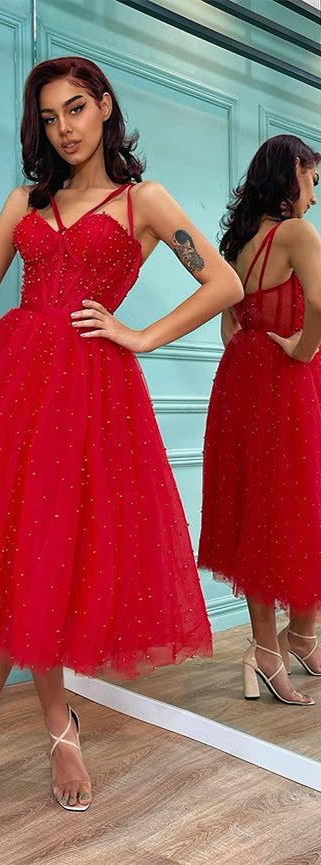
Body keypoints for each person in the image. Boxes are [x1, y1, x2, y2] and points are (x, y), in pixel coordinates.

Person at [0, 56, 242, 848]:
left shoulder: (144, 201)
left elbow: (225, 285)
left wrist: (138, 334)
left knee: (38, 562)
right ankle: (55, 726)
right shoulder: (25, 202)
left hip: (88, 407)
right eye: (49, 116)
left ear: (105, 106)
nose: (64, 127)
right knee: (11, 566)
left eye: (76, 108)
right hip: (7, 395)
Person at [198, 135, 321, 706]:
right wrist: (302, 349)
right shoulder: (295, 233)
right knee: (298, 505)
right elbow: (320, 304)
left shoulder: (239, 244)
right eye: (312, 181)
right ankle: (288, 644)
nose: (313, 196)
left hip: (241, 380)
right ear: (292, 171)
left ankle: (276, 647)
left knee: (260, 510)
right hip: (287, 380)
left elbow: (229, 328)